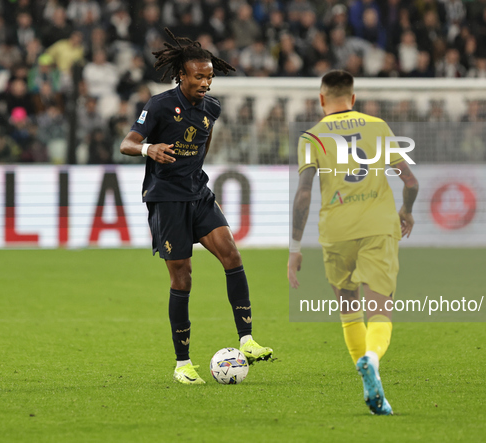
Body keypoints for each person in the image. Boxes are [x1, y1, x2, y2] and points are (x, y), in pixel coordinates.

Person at [120, 28, 272, 385]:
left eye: (210, 76)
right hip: (167, 200)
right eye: (199, 76)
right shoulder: (158, 105)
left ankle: (247, 340)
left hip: (198, 195)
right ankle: (183, 364)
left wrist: (195, 175)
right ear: (182, 76)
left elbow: (204, 144)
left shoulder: (212, 108)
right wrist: (149, 150)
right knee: (183, 277)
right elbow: (127, 143)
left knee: (232, 255)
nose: (206, 82)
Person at [288, 70, 418, 415]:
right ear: (353, 98)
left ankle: (369, 383)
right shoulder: (378, 127)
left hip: (336, 231)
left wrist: (294, 249)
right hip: (378, 226)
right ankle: (371, 360)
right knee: (380, 310)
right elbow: (411, 181)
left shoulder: (311, 136)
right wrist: (406, 210)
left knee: (349, 310)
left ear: (321, 99)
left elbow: (304, 194)